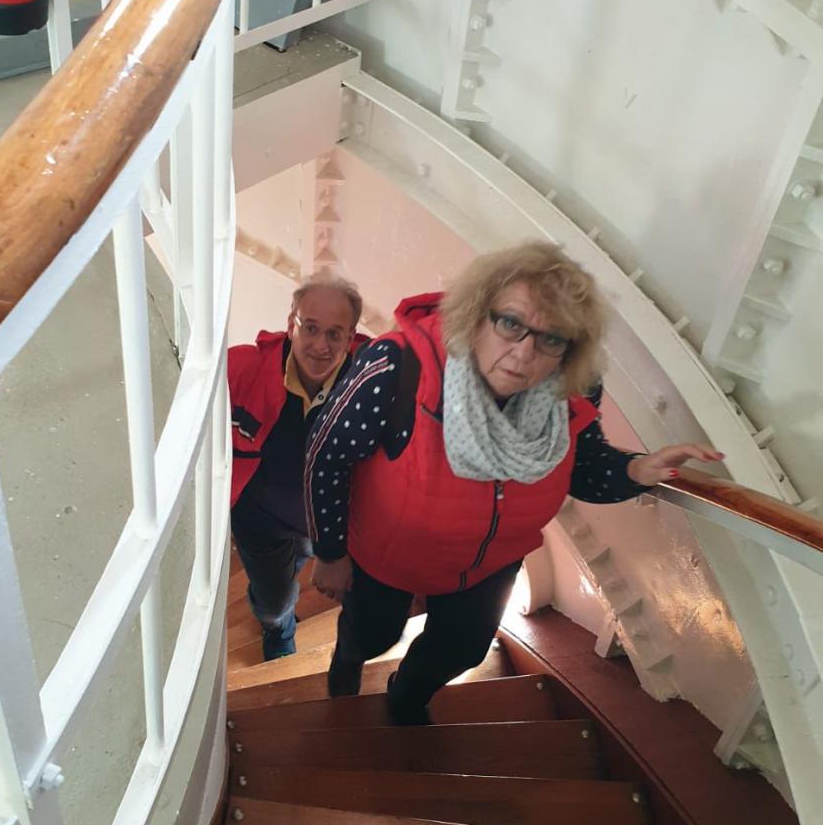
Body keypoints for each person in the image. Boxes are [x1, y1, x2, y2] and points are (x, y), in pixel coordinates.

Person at [305, 241, 723, 723]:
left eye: (551, 339)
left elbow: (582, 467)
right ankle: (347, 662)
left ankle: (406, 697)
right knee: (372, 634)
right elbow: (326, 454)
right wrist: (330, 553)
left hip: (488, 564)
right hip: (386, 557)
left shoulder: (572, 389)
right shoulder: (399, 367)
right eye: (510, 323)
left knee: (463, 649)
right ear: (476, 315)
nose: (524, 353)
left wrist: (635, 472)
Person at [229, 273, 365, 659]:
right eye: (311, 327)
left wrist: (337, 549)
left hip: (320, 522)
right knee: (275, 598)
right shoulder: (242, 370)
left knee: (299, 560)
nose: (320, 345)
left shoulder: (368, 387)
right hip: (259, 520)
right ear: (291, 324)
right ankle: (278, 625)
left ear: (350, 337)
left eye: (334, 334)